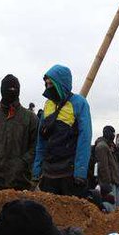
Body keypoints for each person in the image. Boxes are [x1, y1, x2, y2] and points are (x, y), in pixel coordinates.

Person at [33, 66, 92, 197]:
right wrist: (37, 169)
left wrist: (80, 172)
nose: (48, 87)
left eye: (51, 84)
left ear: (61, 84)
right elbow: (41, 140)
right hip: (48, 172)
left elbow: (85, 139)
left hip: (69, 173)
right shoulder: (48, 105)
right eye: (47, 84)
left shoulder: (79, 103)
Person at [0, 75, 38, 192]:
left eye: (14, 88)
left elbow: (36, 146)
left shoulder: (31, 118)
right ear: (2, 90)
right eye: (8, 88)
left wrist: (23, 162)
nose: (11, 91)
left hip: (22, 181)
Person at [92, 126, 119, 204]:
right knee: (110, 206)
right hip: (109, 183)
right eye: (113, 133)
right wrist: (107, 183)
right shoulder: (102, 146)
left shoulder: (109, 145)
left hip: (114, 181)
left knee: (117, 205)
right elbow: (103, 167)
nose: (114, 135)